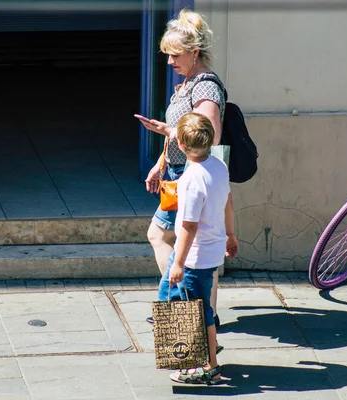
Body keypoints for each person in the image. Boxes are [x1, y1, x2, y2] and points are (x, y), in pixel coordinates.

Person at [135, 9, 226, 326]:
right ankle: (200, 313)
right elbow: (182, 130)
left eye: (175, 55)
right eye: (167, 55)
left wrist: (167, 132)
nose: (170, 62)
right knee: (174, 240)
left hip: (191, 176)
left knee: (166, 237)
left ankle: (186, 309)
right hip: (176, 173)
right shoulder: (188, 83)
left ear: (194, 52)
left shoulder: (204, 87)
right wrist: (160, 162)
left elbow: (208, 134)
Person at [157, 112, 238, 385]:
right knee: (168, 294)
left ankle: (209, 365)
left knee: (198, 310)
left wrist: (178, 263)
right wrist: (231, 234)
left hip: (196, 257)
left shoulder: (192, 179)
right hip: (209, 249)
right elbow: (228, 203)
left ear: (180, 145)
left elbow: (189, 227)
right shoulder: (218, 166)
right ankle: (195, 349)